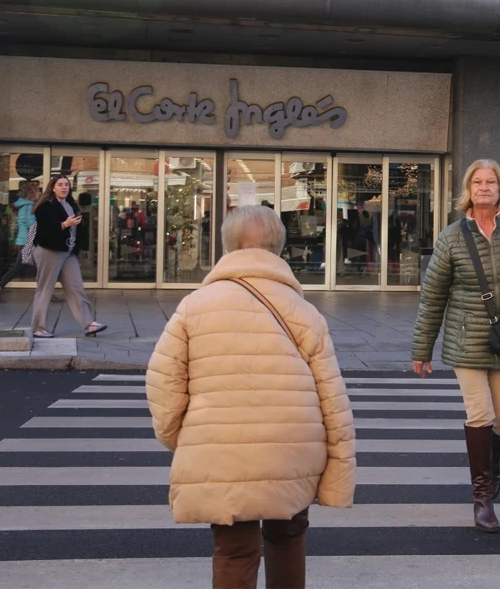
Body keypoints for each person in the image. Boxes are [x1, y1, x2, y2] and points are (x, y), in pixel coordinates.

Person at [145, 205, 356, 588]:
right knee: (288, 537)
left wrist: (181, 438)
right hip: (291, 448)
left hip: (220, 449)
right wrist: (339, 461)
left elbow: (163, 384)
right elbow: (333, 397)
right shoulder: (305, 312)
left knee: (234, 549)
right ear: (278, 247)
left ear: (226, 246)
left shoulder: (194, 307)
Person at [411, 159, 500, 533]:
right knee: (481, 416)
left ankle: (490, 467)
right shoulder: (452, 237)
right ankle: (482, 497)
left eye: (491, 181)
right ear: (468, 189)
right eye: (477, 181)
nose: (484, 187)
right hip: (467, 341)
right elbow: (433, 296)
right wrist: (422, 348)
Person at [30, 175, 106, 339]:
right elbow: (44, 228)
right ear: (53, 187)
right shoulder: (45, 206)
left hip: (68, 252)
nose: (64, 187)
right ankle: (38, 327)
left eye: (66, 185)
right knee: (45, 289)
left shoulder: (71, 204)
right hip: (49, 250)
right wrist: (64, 224)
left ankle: (88, 324)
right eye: (60, 185)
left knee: (76, 287)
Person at [0, 181, 38, 302]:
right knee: (19, 268)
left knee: (40, 267)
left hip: (24, 240)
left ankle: (47, 292)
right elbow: (30, 223)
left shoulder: (23, 205)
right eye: (37, 190)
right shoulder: (29, 206)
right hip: (28, 240)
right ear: (32, 193)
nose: (40, 193)